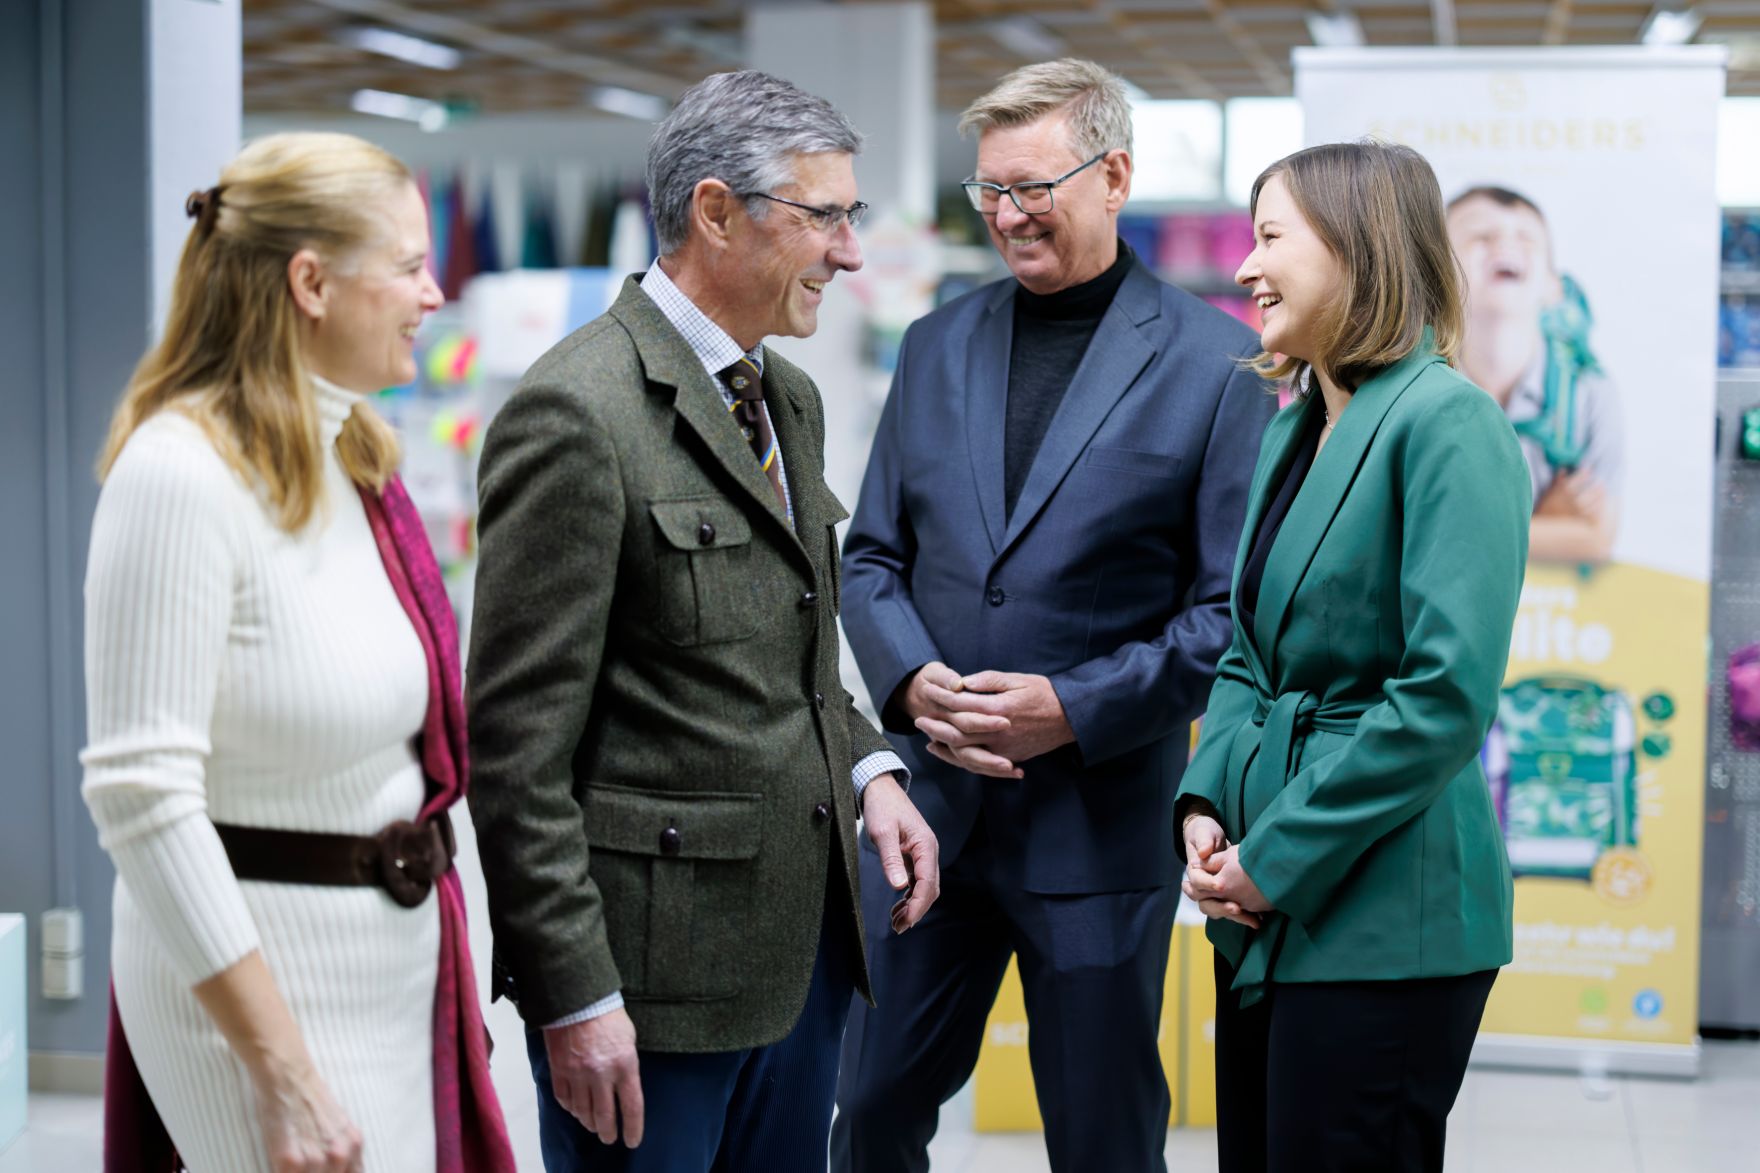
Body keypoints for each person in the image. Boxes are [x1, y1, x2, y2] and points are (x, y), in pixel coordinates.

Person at [463, 70, 940, 1173]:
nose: (851, 252)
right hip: (650, 993)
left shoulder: (789, 399)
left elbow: (787, 658)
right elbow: (517, 754)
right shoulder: (577, 412)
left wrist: (871, 773)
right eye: (825, 218)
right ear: (716, 213)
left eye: (850, 217)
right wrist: (573, 992)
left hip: (801, 963)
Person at [832, 59, 1273, 1173]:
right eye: (989, 190)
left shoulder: (1216, 366)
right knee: (870, 1106)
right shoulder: (938, 344)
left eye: (1032, 185)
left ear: (1114, 174)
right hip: (928, 812)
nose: (1006, 214)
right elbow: (871, 556)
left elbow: (1224, 614)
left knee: (1101, 1136)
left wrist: (1068, 708)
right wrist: (906, 679)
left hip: (1093, 825)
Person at [81, 132, 513, 1173]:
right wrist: (281, 1072)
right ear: (310, 282)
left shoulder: (354, 458)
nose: (434, 291)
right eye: (408, 264)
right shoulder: (180, 476)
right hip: (261, 996)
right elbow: (143, 798)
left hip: (391, 973)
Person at [1176, 141, 1530, 1173]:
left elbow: (1440, 697)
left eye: (1270, 238)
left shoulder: (1447, 423)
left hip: (1383, 909)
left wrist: (1273, 857)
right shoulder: (1296, 428)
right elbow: (1247, 646)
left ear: (1357, 250)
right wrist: (1206, 804)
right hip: (1267, 891)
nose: (1244, 267)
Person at [1447, 185, 1624, 563]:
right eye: (1481, 234)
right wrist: (1546, 521)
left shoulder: (1591, 394)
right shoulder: (1411, 395)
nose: (1505, 245)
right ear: (1435, 276)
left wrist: (1468, 534)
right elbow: (1400, 537)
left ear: (1553, 287)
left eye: (1526, 237)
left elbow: (1596, 540)